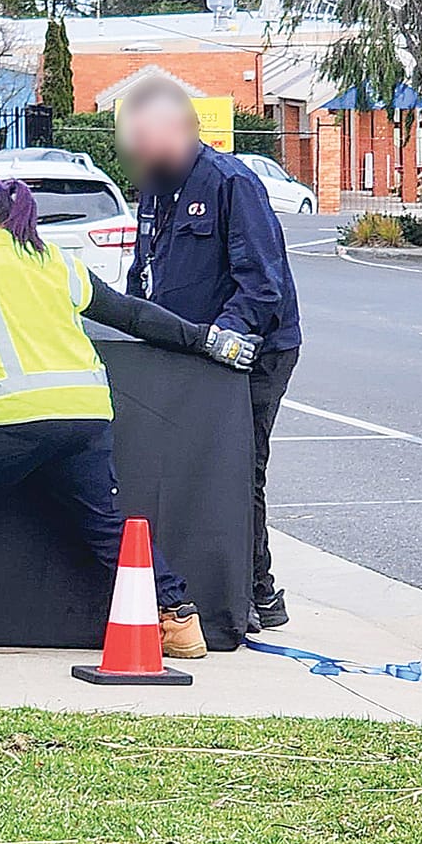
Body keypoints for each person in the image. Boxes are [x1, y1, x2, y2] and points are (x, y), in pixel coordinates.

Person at [0, 176, 261, 659]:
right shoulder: (54, 261)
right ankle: (178, 617)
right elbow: (130, 314)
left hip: (5, 417)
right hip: (85, 415)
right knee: (104, 523)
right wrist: (205, 339)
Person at [118, 82, 302, 630]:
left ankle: (253, 591)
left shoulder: (231, 184)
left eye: (147, 141)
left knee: (238, 467)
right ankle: (200, 579)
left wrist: (223, 337)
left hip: (252, 355)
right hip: (185, 354)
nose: (140, 154)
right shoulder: (156, 189)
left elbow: (262, 286)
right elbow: (145, 272)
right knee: (185, 468)